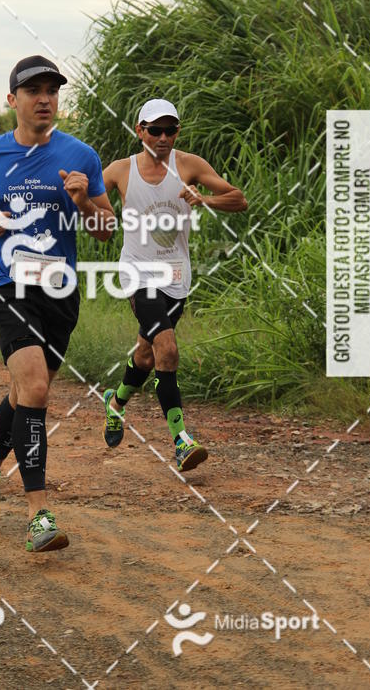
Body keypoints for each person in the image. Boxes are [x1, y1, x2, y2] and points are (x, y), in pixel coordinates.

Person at [0, 55, 114, 552]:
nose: (44, 99)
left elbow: (105, 231)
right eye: (33, 91)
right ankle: (39, 514)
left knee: (25, 394)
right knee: (36, 386)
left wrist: (84, 203)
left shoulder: (81, 155)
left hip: (59, 289)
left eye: (52, 91)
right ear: (12, 99)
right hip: (5, 281)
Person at [101, 98, 247, 472]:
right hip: (137, 275)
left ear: (177, 132)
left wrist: (205, 198)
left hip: (176, 278)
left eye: (170, 130)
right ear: (140, 131)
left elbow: (238, 199)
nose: (163, 137)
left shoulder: (189, 165)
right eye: (155, 130)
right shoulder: (120, 170)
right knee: (167, 349)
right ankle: (181, 441)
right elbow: (88, 202)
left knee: (146, 355)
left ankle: (115, 403)